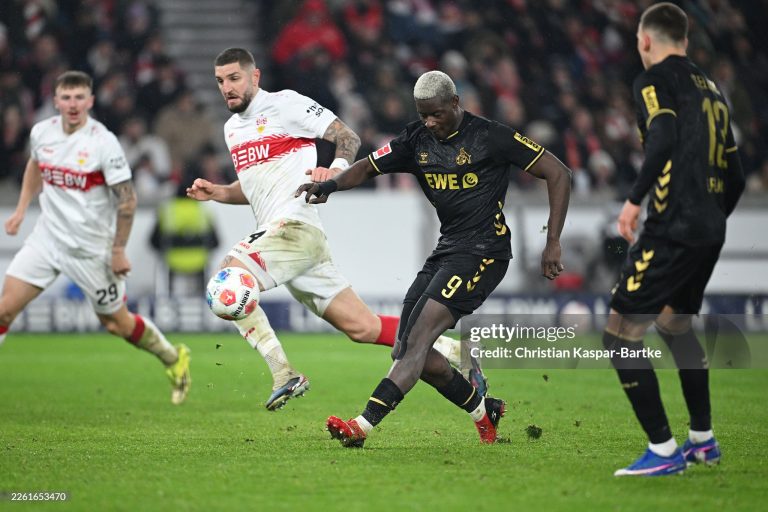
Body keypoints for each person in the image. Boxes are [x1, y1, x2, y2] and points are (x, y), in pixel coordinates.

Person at [186, 48, 475, 411]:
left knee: (227, 280)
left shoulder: (285, 105)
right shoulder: (231, 130)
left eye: (234, 78)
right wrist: (219, 193)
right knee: (363, 328)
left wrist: (334, 169)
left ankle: (283, 373)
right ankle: (457, 349)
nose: (226, 87)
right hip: (289, 241)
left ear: (254, 77)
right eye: (220, 81)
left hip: (295, 227)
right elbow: (255, 187)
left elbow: (348, 137)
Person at [297, 70, 572, 447]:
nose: (430, 122)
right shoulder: (416, 139)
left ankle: (362, 426)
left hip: (485, 252)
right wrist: (330, 185)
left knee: (419, 340)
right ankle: (484, 411)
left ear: (456, 104)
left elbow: (558, 172)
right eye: (423, 114)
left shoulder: (491, 136)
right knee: (409, 351)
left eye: (437, 114)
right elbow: (367, 166)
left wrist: (552, 241)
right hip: (448, 249)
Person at [603, 3, 745, 477]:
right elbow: (737, 174)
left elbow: (660, 138)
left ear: (646, 41)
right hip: (709, 227)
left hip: (671, 226)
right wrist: (708, 219)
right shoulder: (713, 90)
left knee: (619, 334)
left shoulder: (653, 81)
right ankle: (702, 441)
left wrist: (634, 201)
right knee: (675, 325)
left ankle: (663, 451)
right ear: (684, 39)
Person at [0, 71, 191, 404]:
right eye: (66, 97)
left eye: (79, 98)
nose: (72, 104)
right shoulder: (41, 132)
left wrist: (118, 250)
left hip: (91, 250)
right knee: (4, 312)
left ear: (90, 101)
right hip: (47, 240)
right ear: (56, 100)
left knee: (116, 324)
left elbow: (127, 199)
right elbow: (35, 166)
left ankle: (173, 358)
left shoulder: (103, 143)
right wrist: (20, 209)